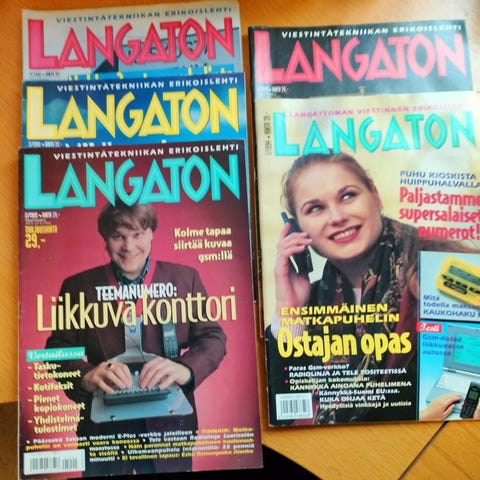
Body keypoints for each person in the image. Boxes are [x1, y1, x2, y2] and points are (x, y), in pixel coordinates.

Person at [269, 152, 479, 424]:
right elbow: (286, 418)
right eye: (315, 208)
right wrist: (289, 311)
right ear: (297, 228)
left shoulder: (443, 270)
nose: (337, 217)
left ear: (375, 196)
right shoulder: (313, 300)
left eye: (347, 196)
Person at [46, 200, 227, 475]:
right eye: (118, 236)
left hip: (169, 428)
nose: (128, 247)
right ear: (105, 239)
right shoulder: (77, 287)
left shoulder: (185, 278)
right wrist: (85, 375)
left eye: (137, 235)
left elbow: (212, 337)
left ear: (151, 233)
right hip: (104, 430)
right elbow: (56, 348)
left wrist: (186, 369)